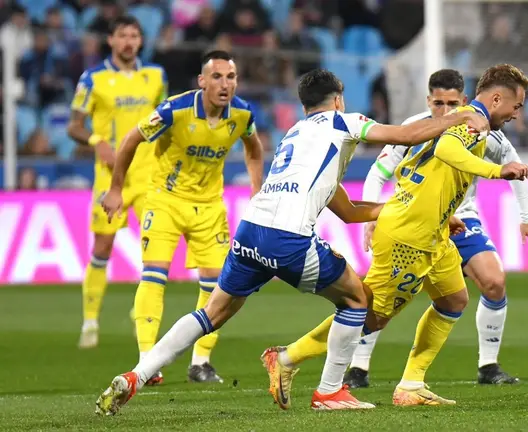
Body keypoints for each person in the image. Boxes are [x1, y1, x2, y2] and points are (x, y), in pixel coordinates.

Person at [94, 68, 492, 415]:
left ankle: (136, 375)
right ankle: (330, 391)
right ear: (338, 99)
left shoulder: (296, 134)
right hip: (287, 237)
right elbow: (405, 135)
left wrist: (409, 211)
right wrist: (462, 115)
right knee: (358, 298)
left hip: (250, 230)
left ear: (304, 106)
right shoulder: (343, 122)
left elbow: (349, 210)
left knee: (212, 313)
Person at [264, 64, 528, 408]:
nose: (516, 114)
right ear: (496, 99)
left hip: (431, 230)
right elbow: (447, 151)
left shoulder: (459, 119)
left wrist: (440, 214)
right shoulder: (471, 122)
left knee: (453, 300)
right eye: (515, 105)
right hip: (409, 236)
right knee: (370, 316)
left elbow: (420, 167)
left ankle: (412, 384)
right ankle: (286, 358)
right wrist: (497, 171)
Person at [344, 69, 528, 389]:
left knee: (494, 282)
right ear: (429, 101)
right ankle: (357, 367)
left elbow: (514, 164)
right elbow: (378, 173)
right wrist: (371, 218)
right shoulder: (413, 129)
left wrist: (527, 217)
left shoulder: (481, 128)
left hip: (461, 219)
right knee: (385, 298)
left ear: (464, 100)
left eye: (453, 103)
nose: (446, 110)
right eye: (439, 103)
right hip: (415, 219)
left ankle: (488, 365)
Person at [100, 50, 265, 386]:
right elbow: (131, 139)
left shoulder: (243, 114)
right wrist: (116, 188)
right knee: (154, 275)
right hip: (165, 201)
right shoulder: (173, 110)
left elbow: (254, 148)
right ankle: (147, 360)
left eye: (230, 77)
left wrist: (256, 190)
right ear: (202, 81)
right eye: (216, 77)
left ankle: (201, 363)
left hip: (209, 207)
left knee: (219, 286)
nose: (225, 84)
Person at [66, 16, 167, 357]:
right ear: (110, 40)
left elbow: (164, 119)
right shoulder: (93, 78)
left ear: (141, 41)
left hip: (149, 174)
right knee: (103, 247)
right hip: (111, 178)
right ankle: (90, 322)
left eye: (134, 36)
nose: (128, 41)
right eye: (122, 35)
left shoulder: (155, 76)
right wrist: (97, 141)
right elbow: (74, 126)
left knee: (155, 248)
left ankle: (141, 312)